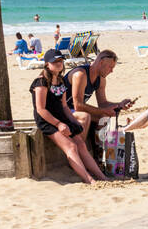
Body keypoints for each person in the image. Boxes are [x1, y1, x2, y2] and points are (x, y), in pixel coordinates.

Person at [30, 54, 107, 184]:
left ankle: (101, 177)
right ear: (47, 64)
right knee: (71, 146)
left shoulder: (60, 80)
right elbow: (41, 109)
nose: (59, 64)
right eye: (55, 62)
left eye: (61, 61)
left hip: (61, 118)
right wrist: (59, 124)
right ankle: (88, 179)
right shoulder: (41, 82)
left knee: (81, 144)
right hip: (47, 120)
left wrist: (72, 121)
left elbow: (65, 106)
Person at [63, 49, 132, 141]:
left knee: (104, 118)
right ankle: (80, 148)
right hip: (61, 109)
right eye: (110, 67)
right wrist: (104, 110)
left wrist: (119, 105)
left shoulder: (101, 79)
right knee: (90, 116)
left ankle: (98, 149)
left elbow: (103, 103)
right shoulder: (80, 74)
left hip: (72, 109)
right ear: (101, 62)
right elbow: (78, 105)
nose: (112, 71)